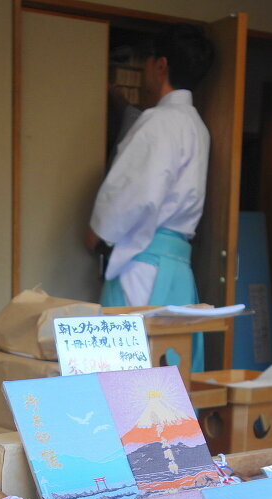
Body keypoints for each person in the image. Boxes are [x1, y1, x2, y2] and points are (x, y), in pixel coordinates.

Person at [86, 24, 215, 312]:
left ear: (160, 65)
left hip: (143, 268)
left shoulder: (159, 120)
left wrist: (97, 233)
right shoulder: (197, 127)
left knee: (135, 340)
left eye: (147, 59)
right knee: (171, 341)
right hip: (177, 267)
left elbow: (135, 192)